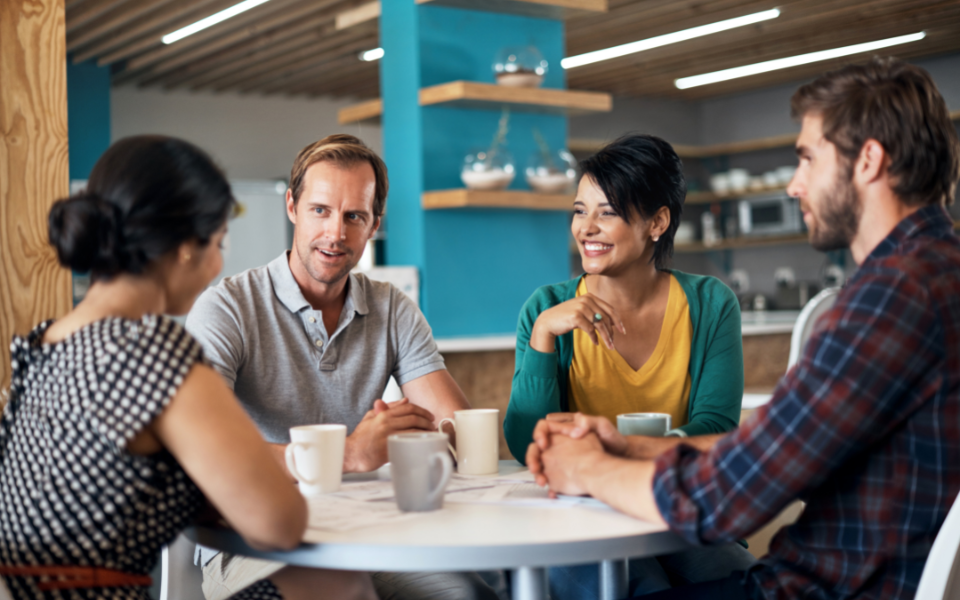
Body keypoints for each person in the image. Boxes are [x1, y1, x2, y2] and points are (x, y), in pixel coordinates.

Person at [528, 57, 960, 600]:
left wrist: (585, 468)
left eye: (806, 159)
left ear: (868, 161)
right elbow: (776, 447)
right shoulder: (937, 273)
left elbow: (722, 499)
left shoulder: (890, 298)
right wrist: (626, 448)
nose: (795, 187)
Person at [0, 136, 376, 599]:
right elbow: (279, 525)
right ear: (184, 248)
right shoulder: (154, 357)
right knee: (339, 585)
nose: (218, 264)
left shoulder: (42, 345)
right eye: (218, 242)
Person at [186, 134, 501, 600]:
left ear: (374, 223)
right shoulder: (228, 307)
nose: (336, 233)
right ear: (292, 206)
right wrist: (350, 453)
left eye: (354, 216)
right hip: (254, 537)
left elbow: (453, 423)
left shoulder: (392, 307)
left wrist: (422, 435)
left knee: (469, 594)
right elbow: (201, 451)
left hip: (369, 529)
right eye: (320, 210)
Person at [504, 133, 753, 598]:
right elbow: (525, 444)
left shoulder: (709, 303)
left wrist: (608, 453)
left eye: (608, 212)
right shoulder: (547, 308)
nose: (586, 228)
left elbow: (715, 427)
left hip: (676, 506)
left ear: (657, 222)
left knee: (742, 581)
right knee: (640, 589)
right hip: (580, 517)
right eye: (580, 211)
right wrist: (542, 337)